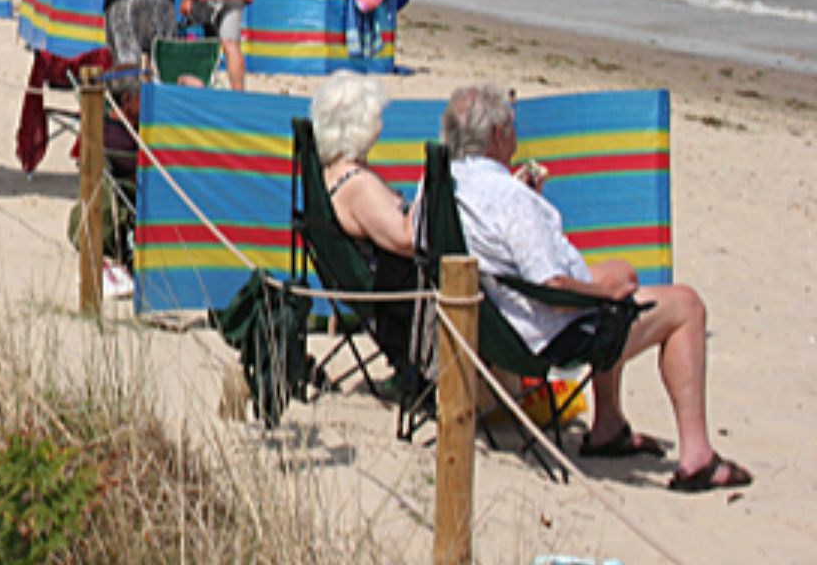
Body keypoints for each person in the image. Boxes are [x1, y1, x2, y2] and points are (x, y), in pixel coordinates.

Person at [441, 84, 753, 493]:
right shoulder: (511, 201)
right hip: (550, 334)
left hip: (496, 321)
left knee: (621, 272)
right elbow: (549, 283)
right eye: (513, 128)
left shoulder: (442, 184)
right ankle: (698, 457)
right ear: (499, 135)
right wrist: (607, 298)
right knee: (687, 307)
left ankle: (609, 424)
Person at [311, 73, 417, 370]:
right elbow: (405, 239)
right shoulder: (358, 184)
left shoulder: (329, 173)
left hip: (376, 290)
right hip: (399, 297)